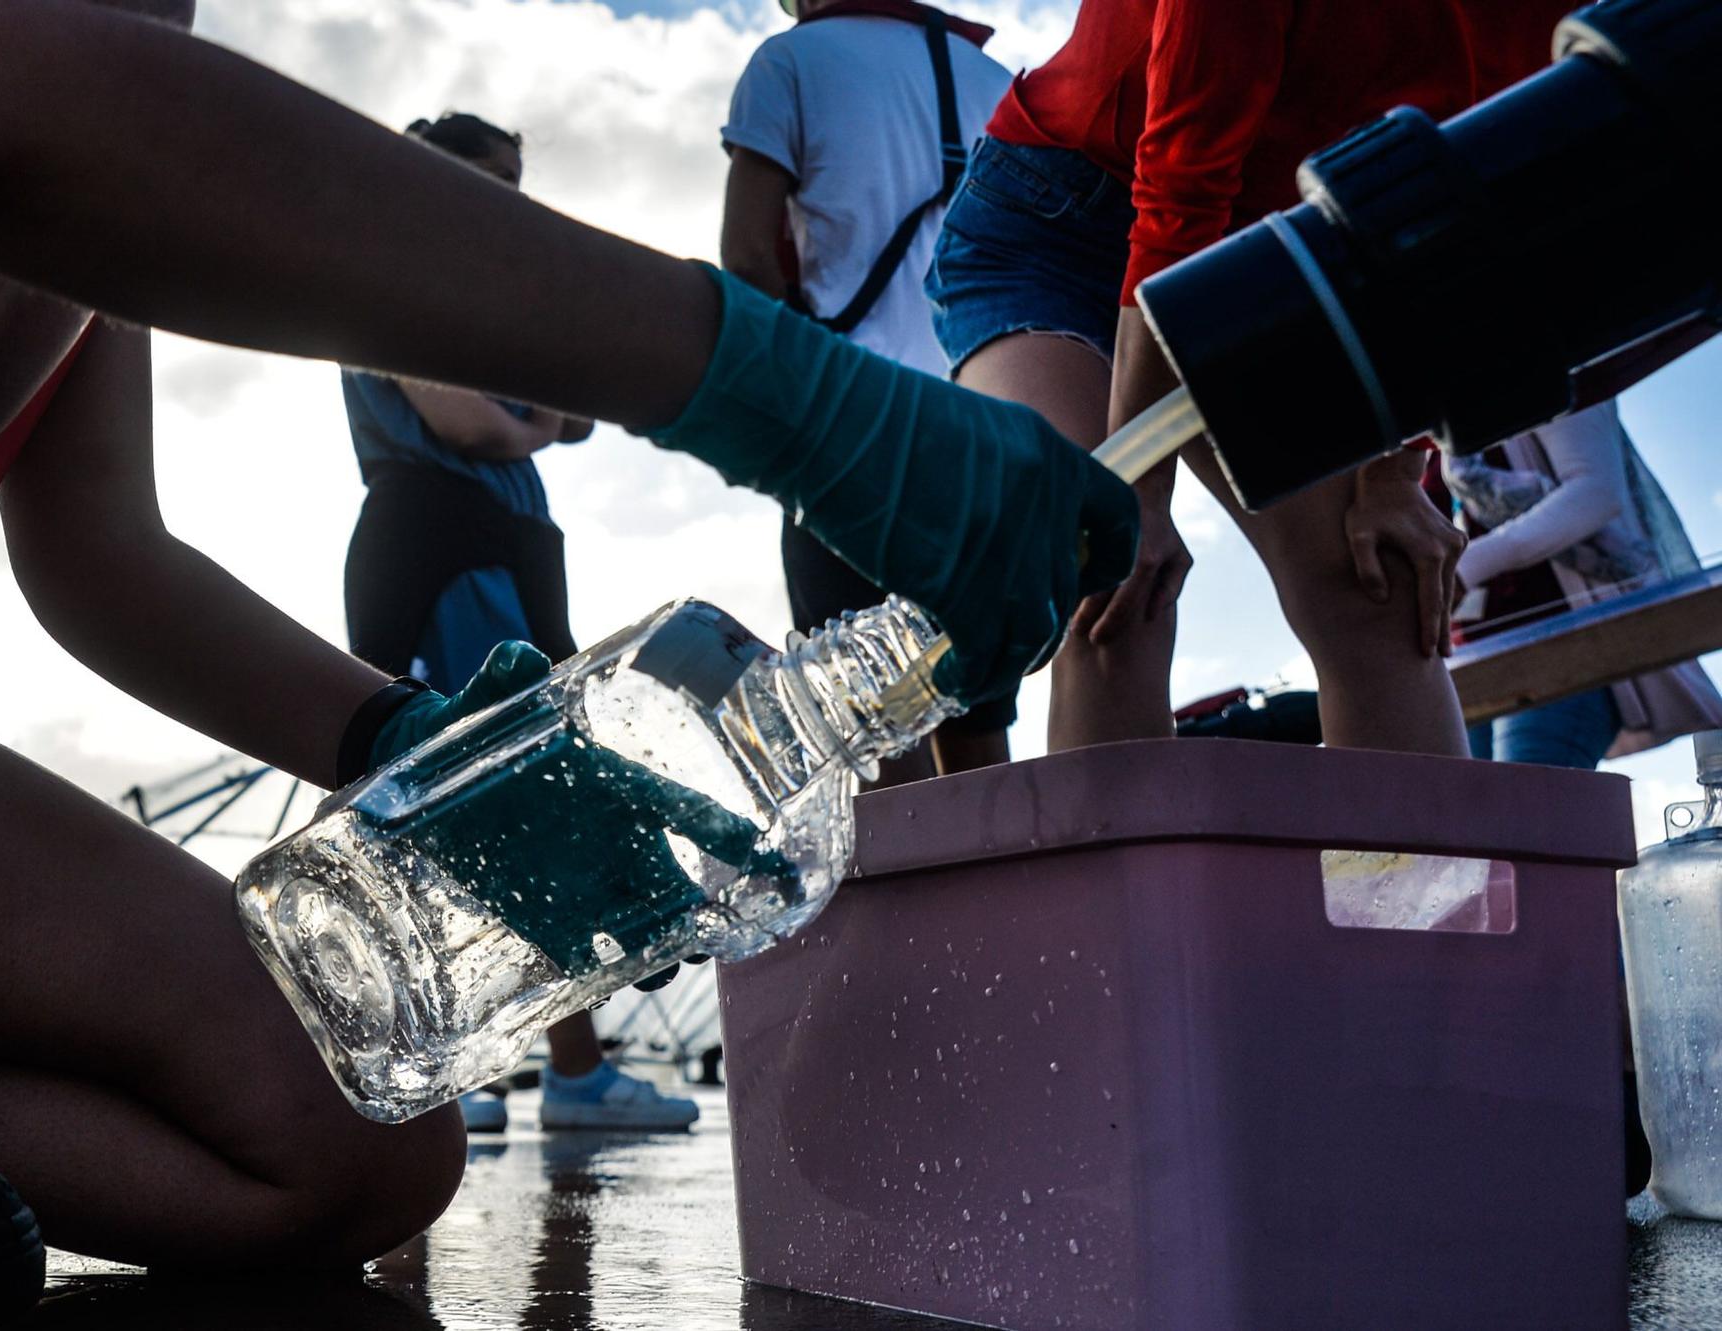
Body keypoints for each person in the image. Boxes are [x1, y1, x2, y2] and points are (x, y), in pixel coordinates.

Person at [0, 1, 1137, 1322]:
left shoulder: (114, 79)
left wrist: (402, 731)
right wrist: (767, 388)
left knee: (351, 1147)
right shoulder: (52, 70)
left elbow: (96, 551)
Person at [924, 0, 1582, 759]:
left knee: (1379, 588)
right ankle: (1119, 880)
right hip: (1054, 222)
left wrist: (1397, 470)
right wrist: (1137, 490)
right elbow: (1179, 199)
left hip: (1259, 249)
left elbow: (1454, 234)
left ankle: (1415, 883)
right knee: (1107, 567)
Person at [341, 112, 698, 1135]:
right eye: (493, 177)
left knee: (539, 786)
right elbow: (474, 421)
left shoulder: (470, 288)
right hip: (445, 546)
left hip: (499, 543)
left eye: (520, 177)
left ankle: (566, 1069)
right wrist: (529, 410)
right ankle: (441, 1060)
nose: (514, 196)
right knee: (483, 799)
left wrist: (529, 410)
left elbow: (571, 408)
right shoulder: (396, 277)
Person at [721, 0, 1015, 780]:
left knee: (871, 722)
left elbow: (747, 259)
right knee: (979, 716)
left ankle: (921, 905)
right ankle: (1015, 897)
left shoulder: (789, 63)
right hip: (984, 424)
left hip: (850, 423)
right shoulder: (999, 79)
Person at [1438, 400, 1722, 769]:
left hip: (1564, 651)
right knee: (1467, 820)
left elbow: (1595, 493)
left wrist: (1463, 568)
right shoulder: (1433, 425)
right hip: (1466, 665)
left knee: (1521, 815)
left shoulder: (1555, 371)